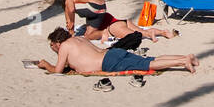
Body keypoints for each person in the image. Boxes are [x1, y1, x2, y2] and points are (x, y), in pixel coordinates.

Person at [37, 28, 198, 75]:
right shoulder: (80, 39)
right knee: (149, 59)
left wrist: (46, 65)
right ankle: (186, 56)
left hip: (108, 62)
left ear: (58, 42)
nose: (54, 49)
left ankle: (182, 61)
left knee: (150, 64)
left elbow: (58, 70)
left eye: (53, 46)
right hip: (112, 53)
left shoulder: (64, 46)